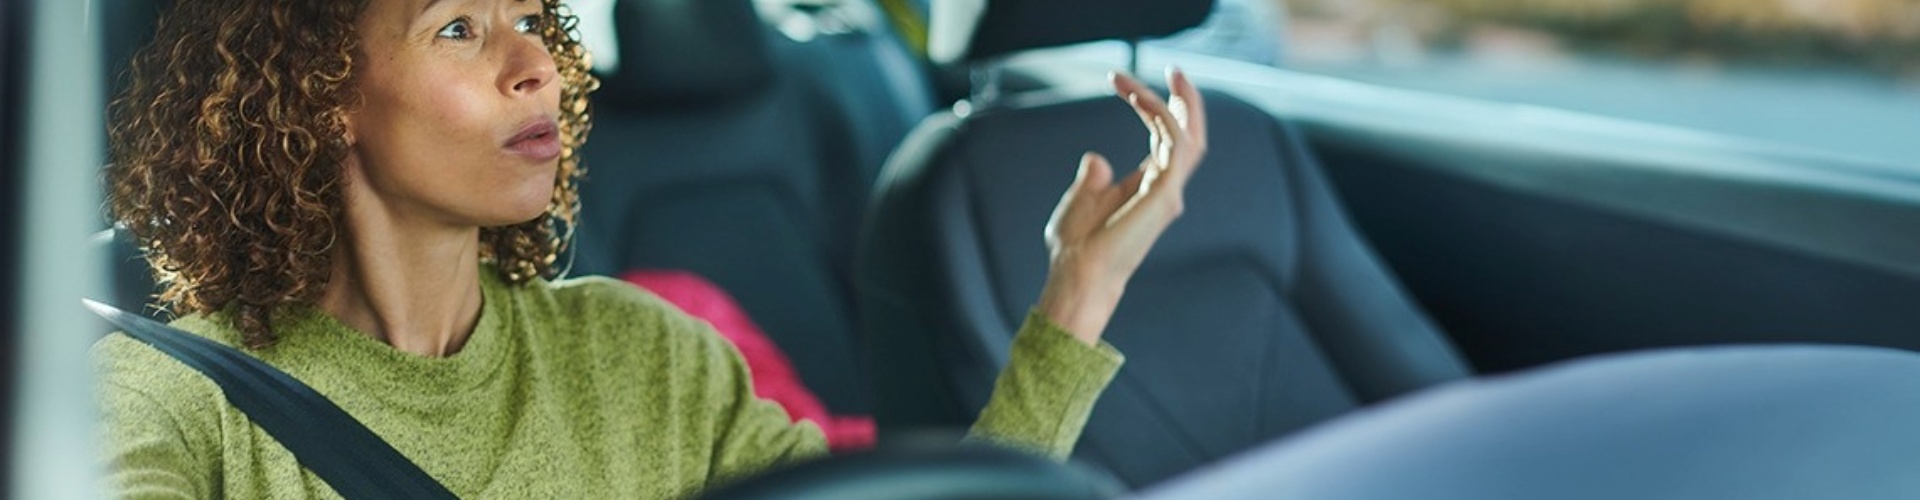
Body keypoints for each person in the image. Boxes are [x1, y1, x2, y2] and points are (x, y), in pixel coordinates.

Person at [94, 0, 1210, 497]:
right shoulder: (170, 401)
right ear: (317, 95)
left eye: (531, 16)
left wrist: (1078, 290)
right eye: (458, 28)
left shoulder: (645, 354)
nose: (534, 63)